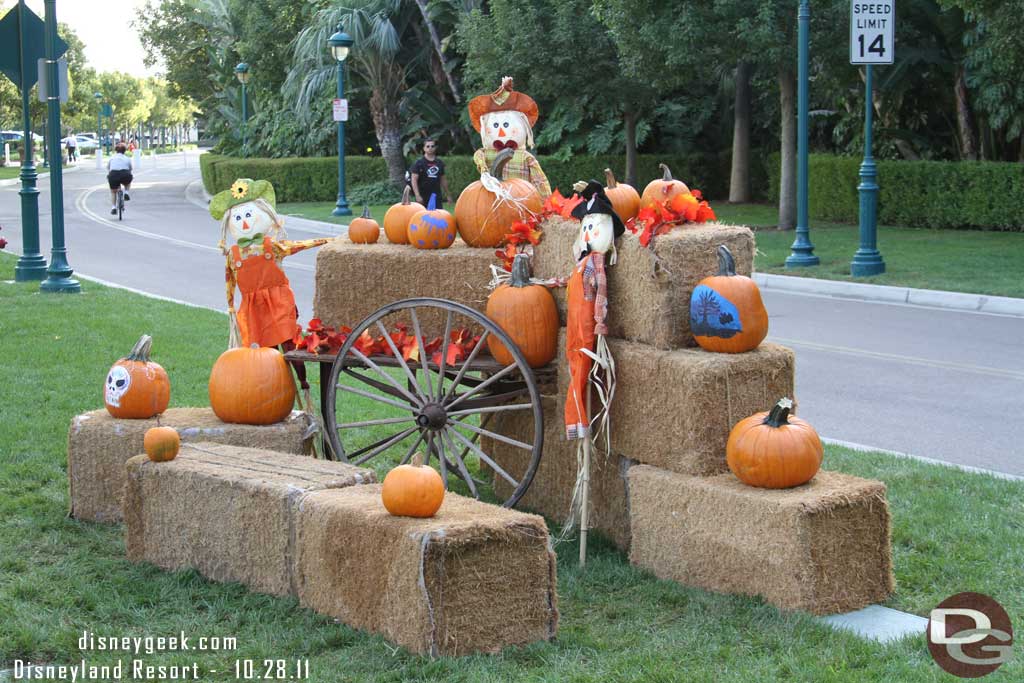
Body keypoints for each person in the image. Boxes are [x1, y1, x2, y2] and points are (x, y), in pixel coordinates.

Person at [409, 138, 452, 209]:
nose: (430, 148)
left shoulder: (439, 163)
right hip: (423, 195)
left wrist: (448, 194)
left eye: (432, 146)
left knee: (437, 216)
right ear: (424, 148)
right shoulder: (419, 163)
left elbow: (443, 180)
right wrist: (417, 195)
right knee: (422, 217)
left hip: (436, 195)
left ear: (435, 148)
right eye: (428, 146)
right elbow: (414, 180)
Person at [106, 142, 133, 214]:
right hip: (125, 174)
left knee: (113, 191)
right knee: (128, 180)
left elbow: (108, 168)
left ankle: (113, 207)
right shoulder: (127, 158)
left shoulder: (112, 158)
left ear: (116, 150)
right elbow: (130, 169)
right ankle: (126, 192)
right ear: (125, 151)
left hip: (113, 175)